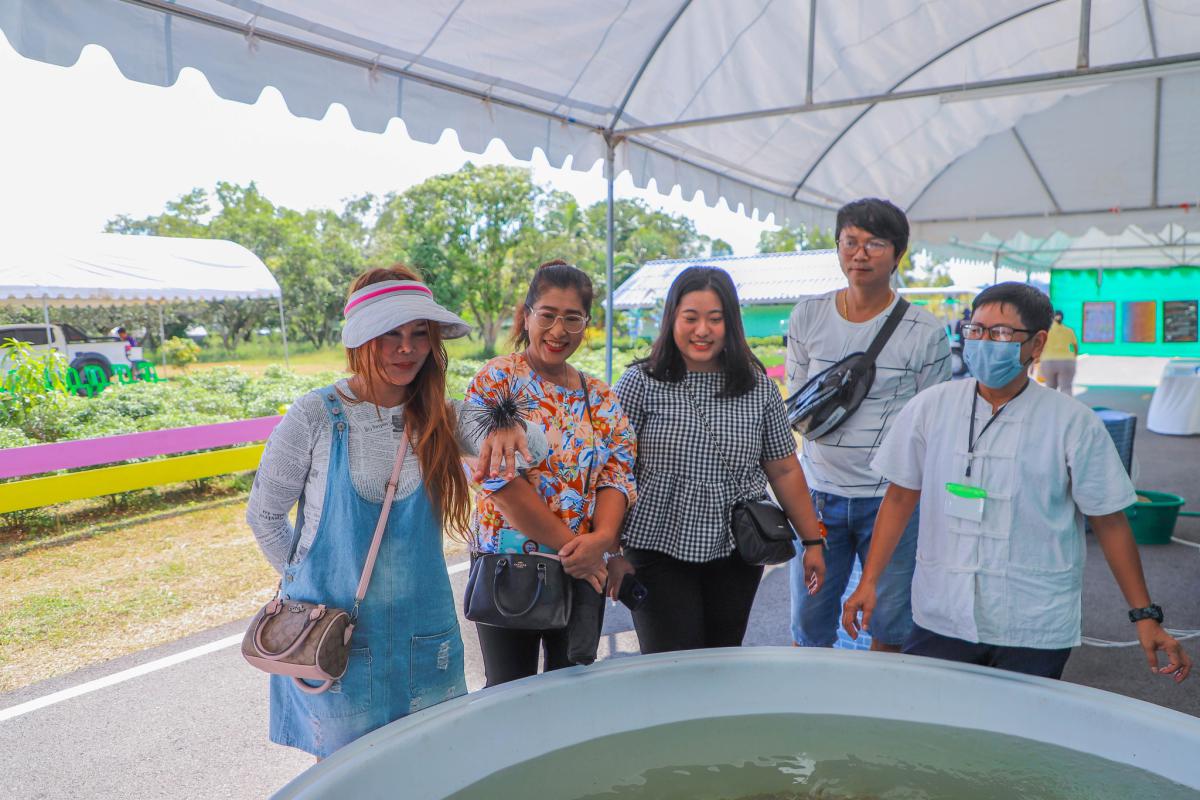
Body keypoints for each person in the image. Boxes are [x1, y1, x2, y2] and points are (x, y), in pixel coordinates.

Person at [246, 265, 546, 758]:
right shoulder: (315, 416)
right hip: (336, 643)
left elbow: (537, 447)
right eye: (390, 334)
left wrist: (506, 422)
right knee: (350, 780)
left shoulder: (442, 417)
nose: (406, 349)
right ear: (362, 339)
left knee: (432, 771)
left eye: (419, 334)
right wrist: (307, 584)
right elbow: (264, 515)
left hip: (425, 642)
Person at [842, 282, 1191, 682]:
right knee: (935, 712)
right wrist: (869, 581)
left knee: (1021, 719)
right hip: (943, 610)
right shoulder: (930, 407)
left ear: (1036, 344)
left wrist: (1144, 615)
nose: (983, 342)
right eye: (976, 330)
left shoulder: (1072, 422)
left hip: (1032, 620)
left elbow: (1109, 521)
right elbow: (900, 497)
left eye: (1001, 333)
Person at [614, 266, 826, 654]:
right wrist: (609, 550)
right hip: (655, 545)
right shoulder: (640, 383)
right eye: (690, 318)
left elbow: (784, 468)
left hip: (736, 549)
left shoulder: (758, 387)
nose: (703, 330)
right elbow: (613, 470)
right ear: (672, 319)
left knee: (722, 658)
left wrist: (812, 541)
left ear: (731, 323)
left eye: (715, 318)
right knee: (671, 664)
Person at [786, 198, 951, 652]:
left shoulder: (925, 331)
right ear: (837, 247)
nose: (859, 254)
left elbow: (931, 425)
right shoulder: (808, 315)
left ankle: (881, 693)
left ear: (898, 254)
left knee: (889, 625)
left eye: (874, 244)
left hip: (891, 500)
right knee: (808, 626)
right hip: (818, 498)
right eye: (850, 242)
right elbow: (798, 404)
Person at [467, 260, 637, 686]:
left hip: (580, 572)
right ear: (526, 316)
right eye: (547, 315)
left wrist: (602, 540)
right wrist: (579, 552)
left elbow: (617, 474)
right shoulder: (497, 380)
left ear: (586, 324)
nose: (558, 331)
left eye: (572, 318)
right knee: (510, 691)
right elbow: (499, 481)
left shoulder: (599, 396)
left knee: (572, 689)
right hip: (511, 568)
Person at [1039, 309, 1079, 395]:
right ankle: (1067, 404)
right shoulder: (1069, 330)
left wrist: (1036, 361)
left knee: (1050, 389)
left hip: (1048, 361)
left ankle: (1050, 404)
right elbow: (1075, 346)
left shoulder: (1046, 331)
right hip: (1067, 361)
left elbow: (1040, 347)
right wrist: (1074, 357)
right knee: (1066, 388)